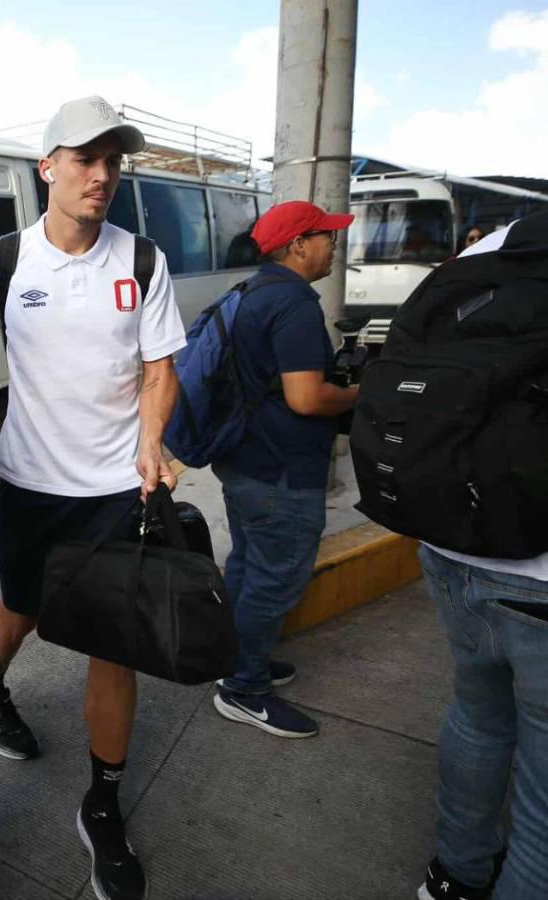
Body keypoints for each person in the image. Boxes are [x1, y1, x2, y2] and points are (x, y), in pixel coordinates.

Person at [0, 95, 186, 900]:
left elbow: (161, 367)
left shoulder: (143, 261)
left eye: (113, 162)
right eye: (86, 160)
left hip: (114, 495)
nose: (102, 177)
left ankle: (103, 804)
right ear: (46, 166)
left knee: (112, 649)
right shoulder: (4, 261)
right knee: (15, 612)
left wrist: (152, 440)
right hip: (27, 485)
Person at [415, 217, 548, 900]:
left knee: (477, 713)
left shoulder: (490, 247)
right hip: (538, 575)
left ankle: (454, 876)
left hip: (449, 540)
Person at [209, 200, 358, 740]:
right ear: (298, 245)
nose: (332, 246)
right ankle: (243, 689)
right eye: (326, 236)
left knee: (248, 565)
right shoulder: (293, 303)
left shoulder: (250, 291)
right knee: (274, 579)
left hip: (245, 459)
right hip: (281, 469)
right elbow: (306, 398)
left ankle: (234, 660)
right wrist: (361, 393)